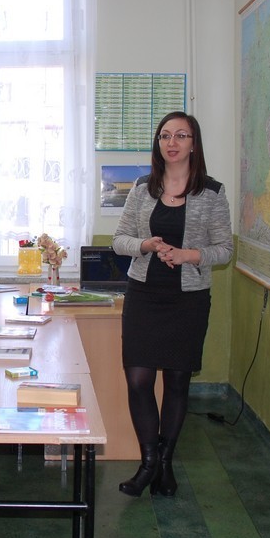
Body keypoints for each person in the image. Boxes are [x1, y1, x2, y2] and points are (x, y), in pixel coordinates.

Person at [112, 111, 233, 499]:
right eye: (165, 135)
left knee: (177, 382)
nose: (172, 142)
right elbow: (120, 240)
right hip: (144, 296)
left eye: (181, 135)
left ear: (194, 144)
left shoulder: (212, 192)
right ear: (158, 143)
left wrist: (188, 255)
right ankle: (148, 463)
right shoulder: (141, 188)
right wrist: (145, 245)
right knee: (139, 380)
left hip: (188, 299)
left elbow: (224, 249)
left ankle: (164, 464)